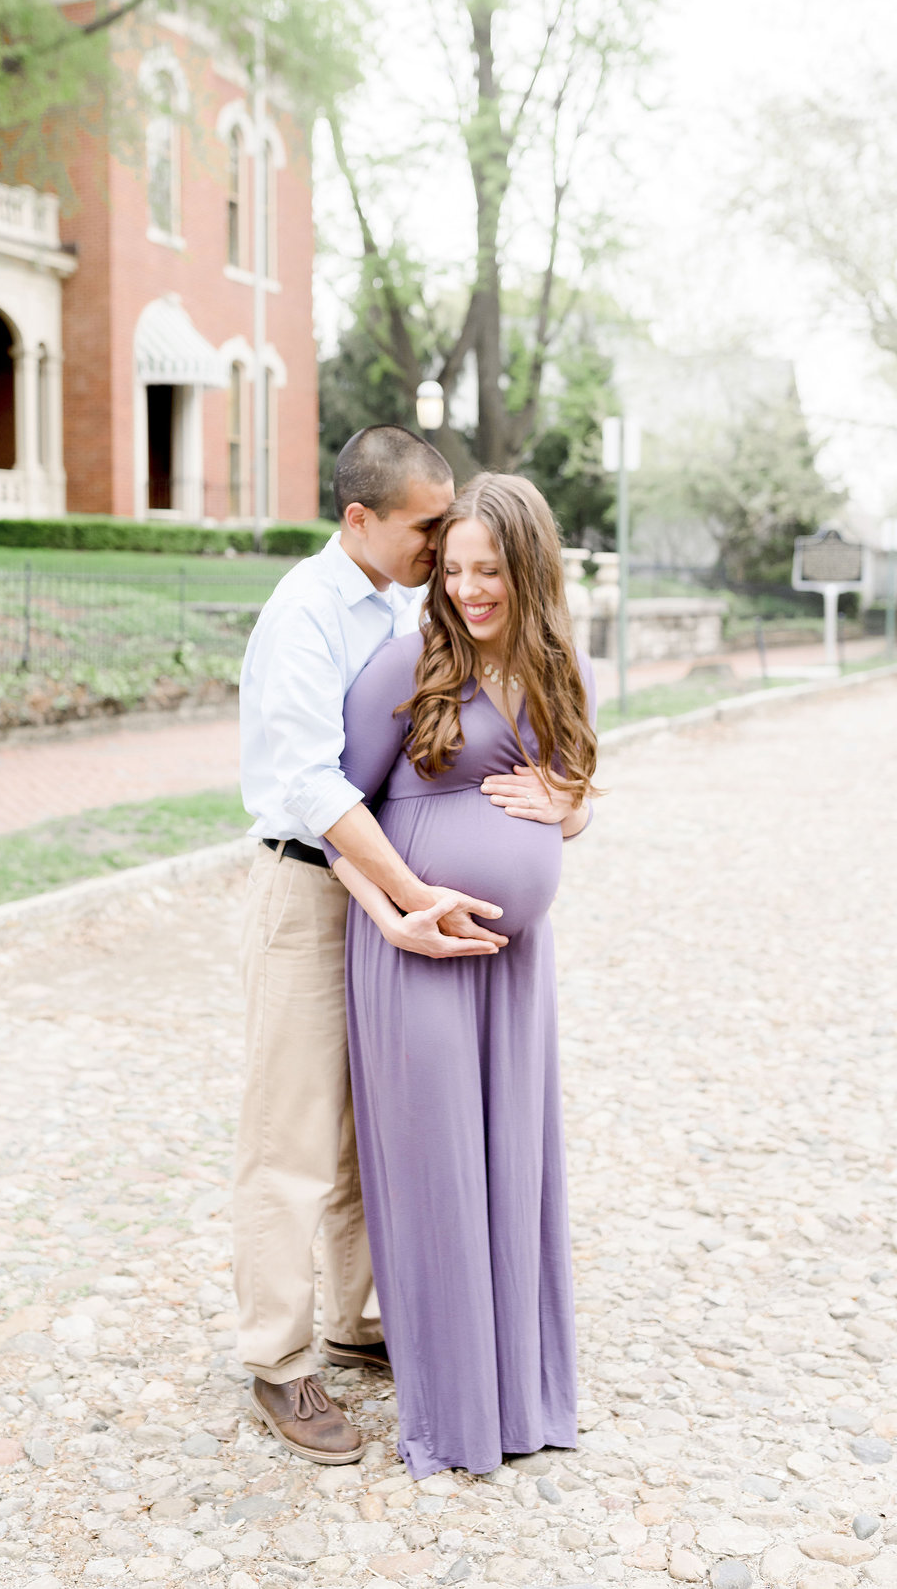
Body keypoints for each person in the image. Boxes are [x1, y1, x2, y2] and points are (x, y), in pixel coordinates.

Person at [234, 426, 510, 1466]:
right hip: (310, 892)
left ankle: (355, 1320)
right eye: (426, 525)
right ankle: (277, 1360)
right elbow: (313, 783)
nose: (443, 544)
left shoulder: (406, 598)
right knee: (291, 1137)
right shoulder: (305, 613)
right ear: (360, 518)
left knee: (367, 1128)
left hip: (382, 897)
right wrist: (409, 888)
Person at [325, 472, 599, 1477]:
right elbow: (331, 823)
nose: (471, 588)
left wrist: (565, 809)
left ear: (530, 567)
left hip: (518, 964)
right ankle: (453, 1413)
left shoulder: (563, 665)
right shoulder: (405, 666)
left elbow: (576, 799)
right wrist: (397, 917)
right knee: (440, 1166)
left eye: (491, 569)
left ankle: (522, 1394)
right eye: (454, 569)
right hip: (418, 956)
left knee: (513, 1165)